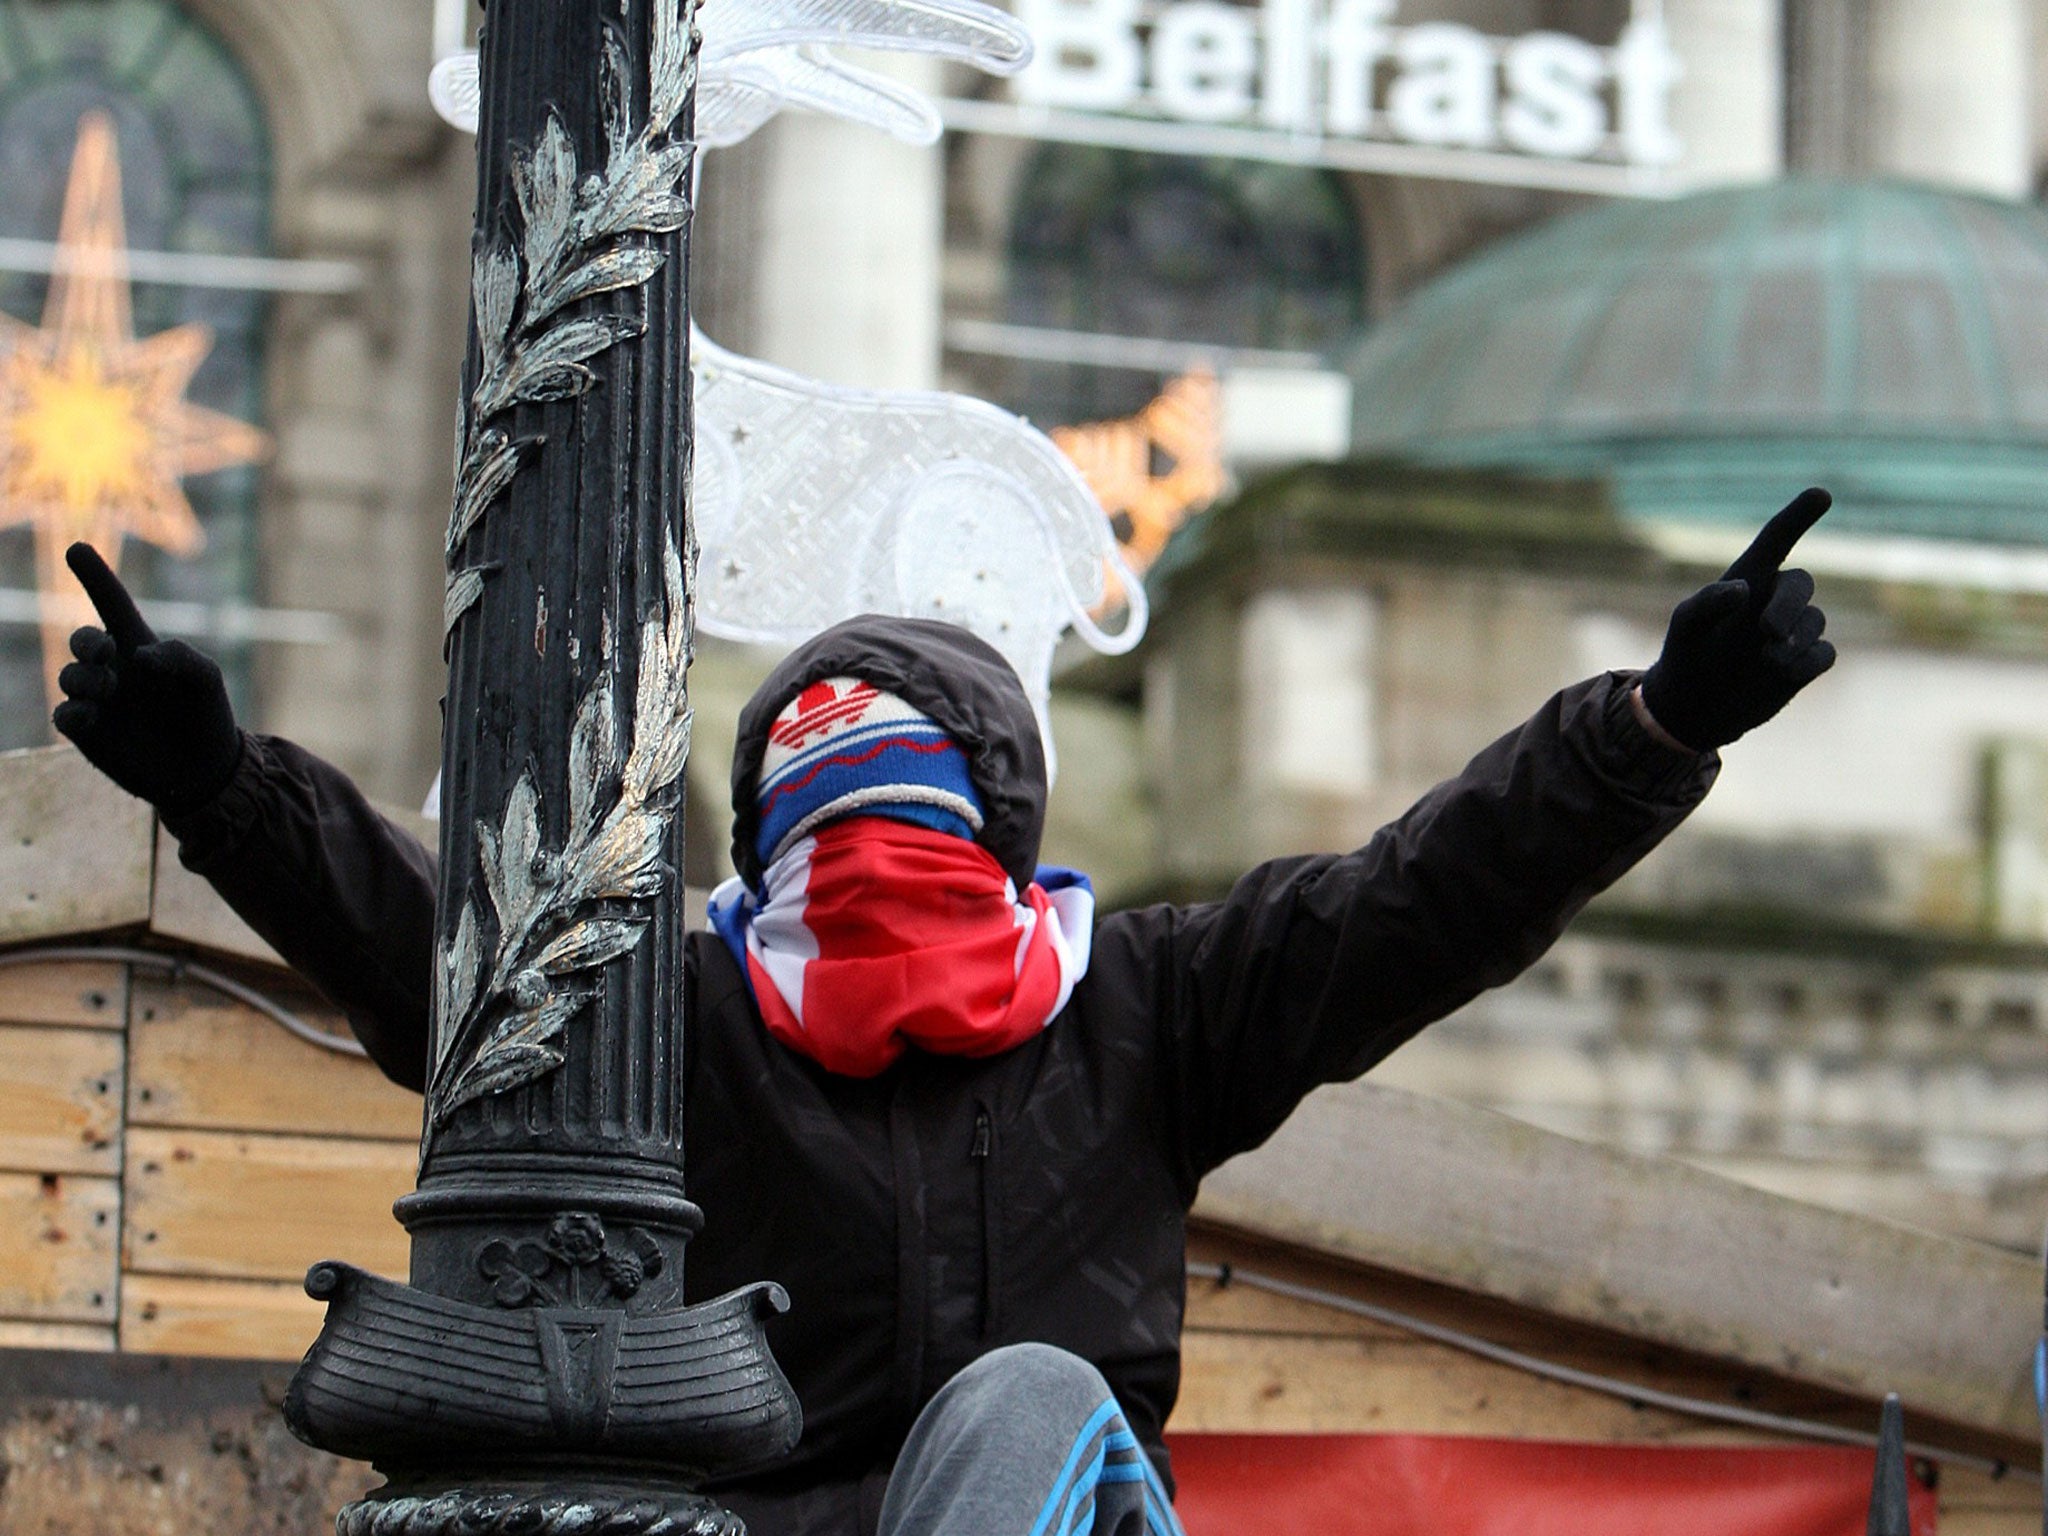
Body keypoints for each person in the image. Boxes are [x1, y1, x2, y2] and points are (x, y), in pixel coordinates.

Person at [50, 490, 1837, 1536]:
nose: (874, 875)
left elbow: (1433, 894)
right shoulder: (665, 1015)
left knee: (1025, 1405)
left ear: (1003, 833)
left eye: (913, 821)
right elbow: (429, 942)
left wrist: (1657, 724)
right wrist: (215, 781)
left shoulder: (1154, 1009)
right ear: (759, 852)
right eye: (828, 835)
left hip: (1049, 1511)